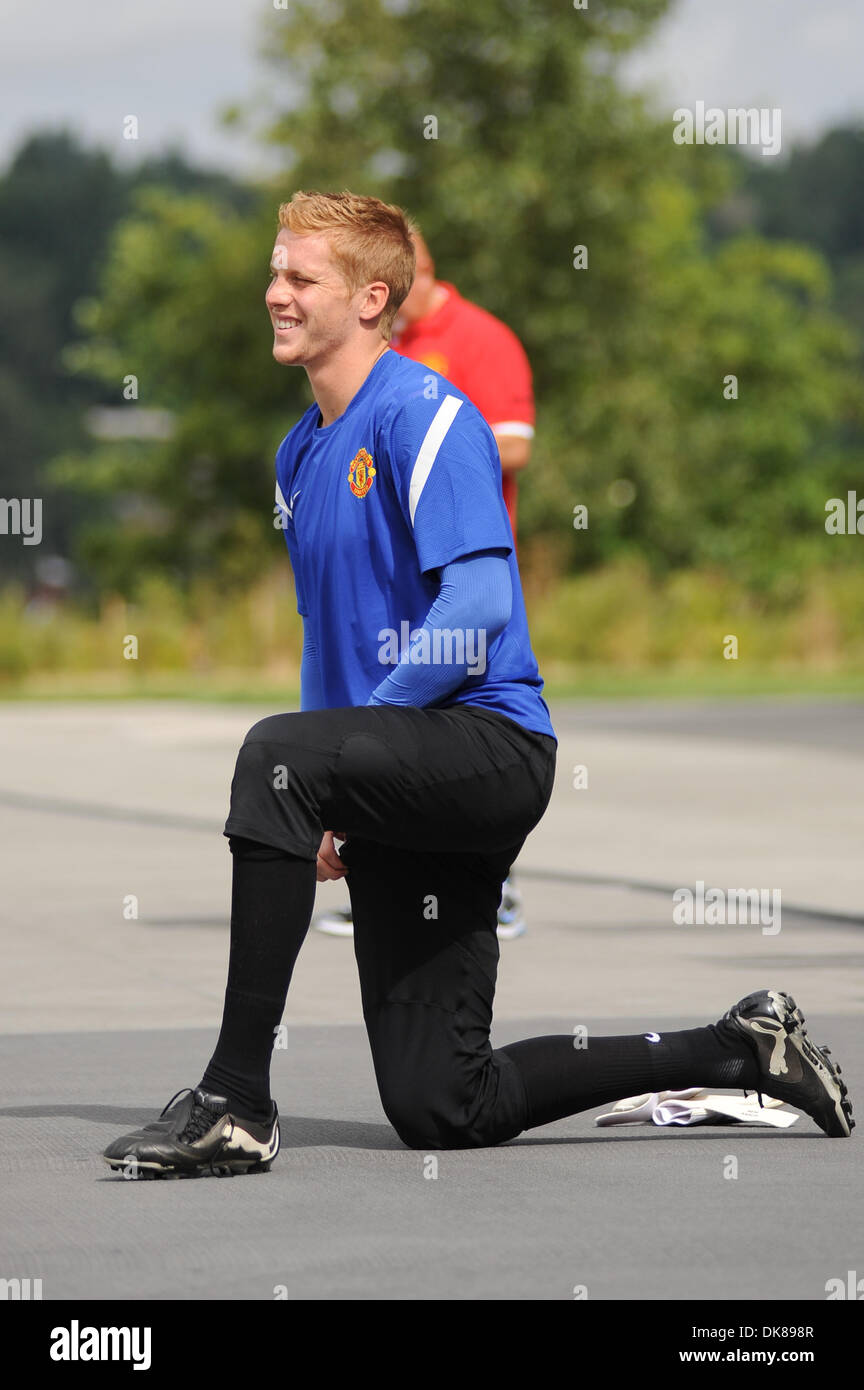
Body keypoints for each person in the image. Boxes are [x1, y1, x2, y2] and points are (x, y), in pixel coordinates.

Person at [103, 192, 853, 1178]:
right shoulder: (299, 452)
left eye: (299, 277)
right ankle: (745, 1047)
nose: (274, 292)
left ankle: (235, 1103)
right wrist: (334, 786)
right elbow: (328, 637)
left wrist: (338, 755)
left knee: (271, 755)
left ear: (372, 298)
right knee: (442, 1106)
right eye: (275, 271)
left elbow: (481, 609)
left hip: (486, 748)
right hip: (399, 767)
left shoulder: (427, 415)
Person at [315, 225, 534, 939]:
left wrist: (434, 439)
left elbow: (516, 442)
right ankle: (386, 864)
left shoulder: (478, 338)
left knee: (461, 710)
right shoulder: (379, 358)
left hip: (459, 553)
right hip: (394, 561)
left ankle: (490, 883)